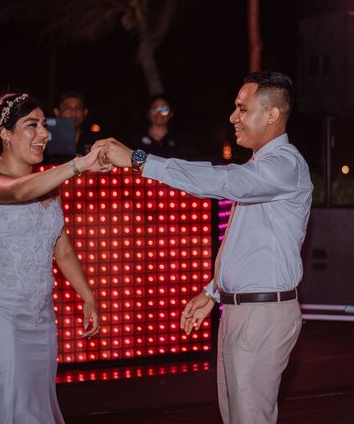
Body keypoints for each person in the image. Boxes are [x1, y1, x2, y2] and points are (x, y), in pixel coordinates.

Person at [96, 72, 313, 423]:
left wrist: (139, 160)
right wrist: (212, 293)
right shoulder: (260, 167)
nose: (233, 117)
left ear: (272, 115)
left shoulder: (285, 164)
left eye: (242, 109)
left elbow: (222, 180)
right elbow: (247, 242)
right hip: (241, 312)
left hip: (263, 315)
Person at [0, 92, 102, 423]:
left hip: (39, 314)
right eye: (31, 125)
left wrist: (87, 294)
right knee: (6, 398)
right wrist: (78, 165)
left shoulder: (47, 184)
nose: (43, 133)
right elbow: (17, 192)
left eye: (44, 125)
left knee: (33, 401)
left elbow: (61, 246)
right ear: (4, 132)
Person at [128, 94, 187, 158]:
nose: (159, 113)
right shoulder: (136, 139)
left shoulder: (179, 140)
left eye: (164, 109)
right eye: (155, 108)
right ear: (149, 112)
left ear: (171, 114)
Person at [53, 91, 99, 156]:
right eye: (67, 108)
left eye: (78, 108)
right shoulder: (48, 140)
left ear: (85, 112)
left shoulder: (96, 141)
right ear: (57, 112)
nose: (74, 113)